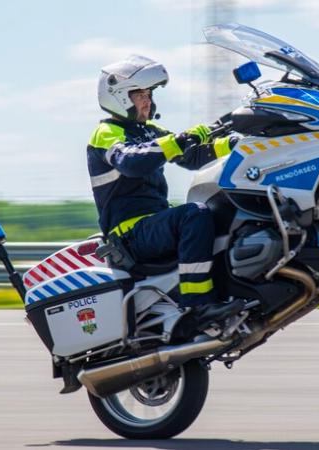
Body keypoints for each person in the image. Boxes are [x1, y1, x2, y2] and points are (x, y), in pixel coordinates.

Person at [87, 54, 242, 322]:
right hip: (130, 234)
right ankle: (198, 306)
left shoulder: (149, 131)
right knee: (195, 214)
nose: (147, 100)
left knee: (222, 210)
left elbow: (193, 156)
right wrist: (181, 138)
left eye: (149, 94)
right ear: (121, 97)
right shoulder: (107, 133)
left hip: (151, 226)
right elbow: (132, 162)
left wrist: (238, 143)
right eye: (140, 95)